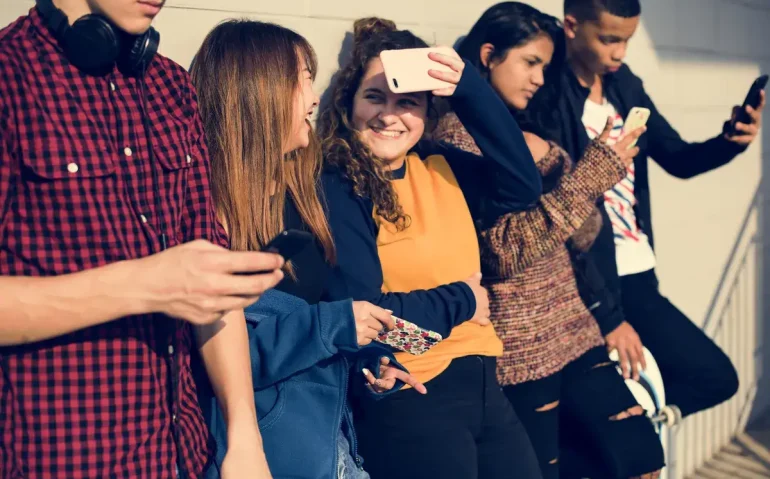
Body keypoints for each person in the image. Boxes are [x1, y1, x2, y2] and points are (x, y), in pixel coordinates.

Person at [0, 1, 285, 478]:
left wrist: (244, 438)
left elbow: (212, 280)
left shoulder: (172, 85)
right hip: (60, 461)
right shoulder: (9, 78)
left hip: (184, 456)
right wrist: (145, 285)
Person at [189, 20, 426, 479]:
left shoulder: (306, 192)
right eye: (302, 82)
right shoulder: (200, 213)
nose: (315, 99)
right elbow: (216, 356)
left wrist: (369, 359)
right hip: (261, 458)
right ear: (260, 92)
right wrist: (333, 325)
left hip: (330, 447)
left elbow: (325, 316)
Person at [437, 3, 665, 478]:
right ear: (488, 55)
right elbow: (501, 252)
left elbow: (581, 232)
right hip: (521, 348)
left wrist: (586, 174)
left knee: (643, 457)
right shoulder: (456, 137)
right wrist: (584, 180)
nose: (540, 78)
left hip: (574, 326)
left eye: (546, 66)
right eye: (530, 63)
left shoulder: (529, 128)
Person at [318, 17, 543, 479]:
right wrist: (463, 302)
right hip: (412, 388)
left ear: (429, 111)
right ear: (349, 101)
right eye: (374, 97)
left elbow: (522, 186)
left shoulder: (439, 165)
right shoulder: (338, 184)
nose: (389, 115)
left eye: (408, 103)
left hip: (484, 377)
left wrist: (469, 90)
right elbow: (369, 318)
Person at [544, 0, 765, 421]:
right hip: (587, 283)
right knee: (588, 412)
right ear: (571, 26)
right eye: (609, 39)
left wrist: (730, 142)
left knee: (714, 376)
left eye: (626, 40)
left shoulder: (624, 85)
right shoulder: (548, 96)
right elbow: (560, 214)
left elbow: (678, 159)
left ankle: (647, 424)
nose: (619, 53)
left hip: (638, 273)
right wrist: (607, 317)